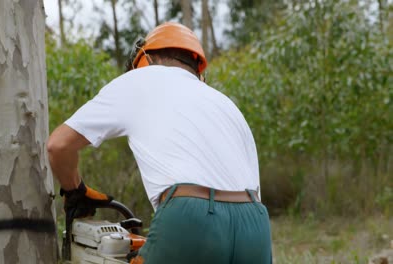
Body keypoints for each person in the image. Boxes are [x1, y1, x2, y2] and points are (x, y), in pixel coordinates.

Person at [47, 22, 272, 264]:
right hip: (255, 222)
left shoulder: (139, 79)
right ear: (198, 70)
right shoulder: (226, 105)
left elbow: (58, 145)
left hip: (190, 219)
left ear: (146, 58)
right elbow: (253, 191)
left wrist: (75, 190)